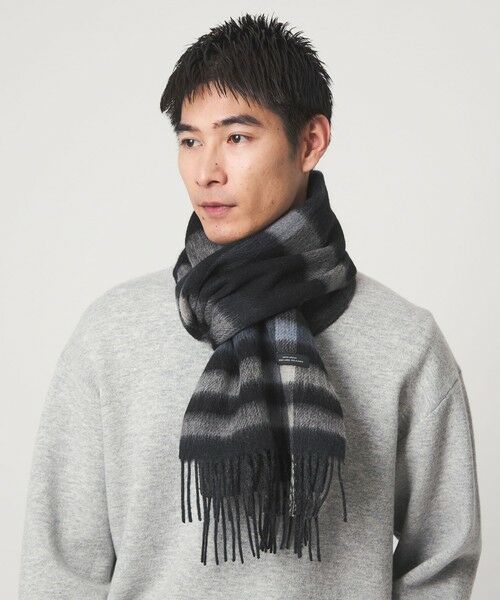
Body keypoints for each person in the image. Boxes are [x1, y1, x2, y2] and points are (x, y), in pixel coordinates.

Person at [18, 12, 481, 600]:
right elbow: (60, 568)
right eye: (190, 141)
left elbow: (440, 563)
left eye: (236, 138)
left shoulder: (403, 341)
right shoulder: (112, 334)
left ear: (310, 142)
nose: (206, 172)